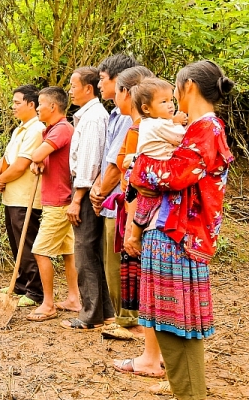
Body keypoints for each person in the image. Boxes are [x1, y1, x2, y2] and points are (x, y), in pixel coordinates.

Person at [128, 60, 234, 400]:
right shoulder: (200, 128)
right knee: (176, 322)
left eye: (174, 88)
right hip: (176, 232)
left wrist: (137, 169)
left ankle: (189, 393)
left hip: (178, 235)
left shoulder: (206, 128)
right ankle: (185, 389)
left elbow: (171, 176)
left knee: (177, 325)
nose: (173, 95)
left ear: (188, 87)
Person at [108, 68, 166, 379]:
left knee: (152, 289)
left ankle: (151, 357)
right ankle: (154, 354)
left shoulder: (147, 131)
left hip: (144, 217)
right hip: (142, 215)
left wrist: (133, 225)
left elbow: (138, 183)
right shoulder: (143, 129)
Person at [89, 54, 139, 339]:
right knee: (113, 260)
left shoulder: (127, 119)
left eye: (102, 79)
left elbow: (117, 163)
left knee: (119, 260)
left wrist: (100, 191)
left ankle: (127, 319)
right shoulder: (115, 115)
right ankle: (123, 317)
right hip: (114, 199)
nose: (99, 84)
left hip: (122, 200)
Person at [61, 67, 113, 330]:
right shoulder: (91, 115)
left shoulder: (93, 118)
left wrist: (77, 198)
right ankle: (103, 310)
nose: (70, 90)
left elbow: (90, 163)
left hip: (87, 188)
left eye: (73, 85)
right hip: (88, 187)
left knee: (84, 251)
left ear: (88, 88)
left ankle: (90, 313)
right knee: (91, 250)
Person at [26, 87, 80, 321]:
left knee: (40, 251)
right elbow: (41, 159)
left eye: (40, 103)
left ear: (53, 107)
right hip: (60, 199)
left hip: (59, 201)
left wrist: (37, 159)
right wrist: (38, 162)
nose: (37, 107)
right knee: (68, 252)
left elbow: (36, 154)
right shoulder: (52, 131)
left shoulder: (61, 129)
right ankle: (73, 298)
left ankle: (48, 304)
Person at [0, 85, 44, 306]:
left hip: (26, 197)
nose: (13, 107)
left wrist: (1, 179)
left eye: (17, 102)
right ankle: (20, 284)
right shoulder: (19, 129)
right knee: (16, 242)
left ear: (31, 104)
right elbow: (6, 159)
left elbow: (21, 165)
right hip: (11, 196)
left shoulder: (36, 130)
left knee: (28, 243)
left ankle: (35, 291)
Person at [129, 78, 187, 234]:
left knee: (144, 205)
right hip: (156, 167)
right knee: (150, 202)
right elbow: (181, 138)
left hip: (145, 167)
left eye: (171, 100)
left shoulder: (149, 122)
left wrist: (173, 121)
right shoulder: (158, 124)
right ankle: (137, 236)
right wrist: (179, 123)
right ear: (146, 108)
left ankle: (136, 234)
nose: (170, 105)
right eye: (163, 102)